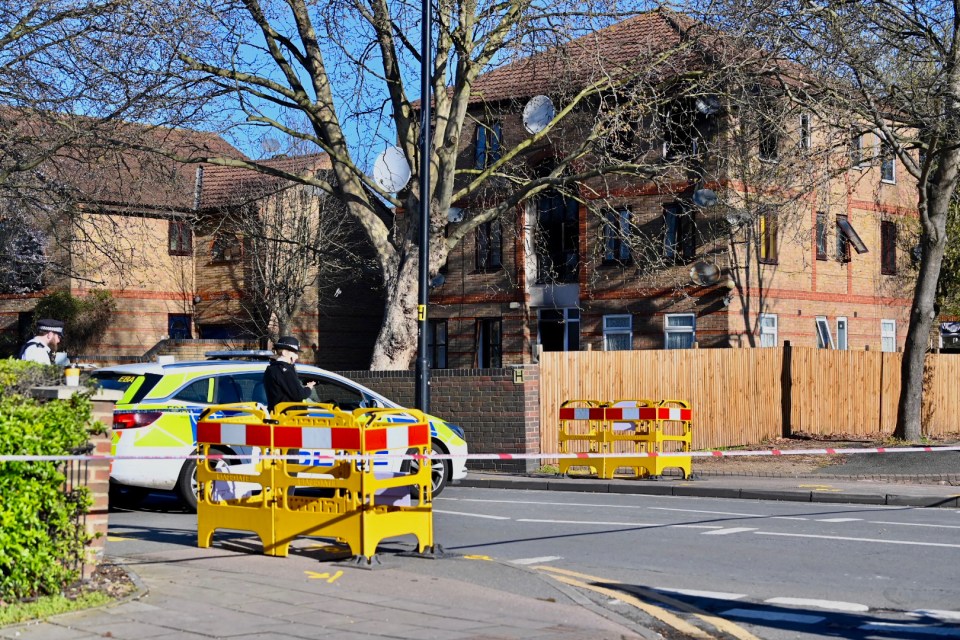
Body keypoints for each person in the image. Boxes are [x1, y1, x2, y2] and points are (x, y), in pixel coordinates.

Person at [262, 335, 316, 414]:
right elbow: (299, 395)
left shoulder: (272, 369)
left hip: (278, 415)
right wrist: (309, 387)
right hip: (289, 418)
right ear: (284, 353)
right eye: (294, 353)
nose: (296, 356)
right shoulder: (285, 370)